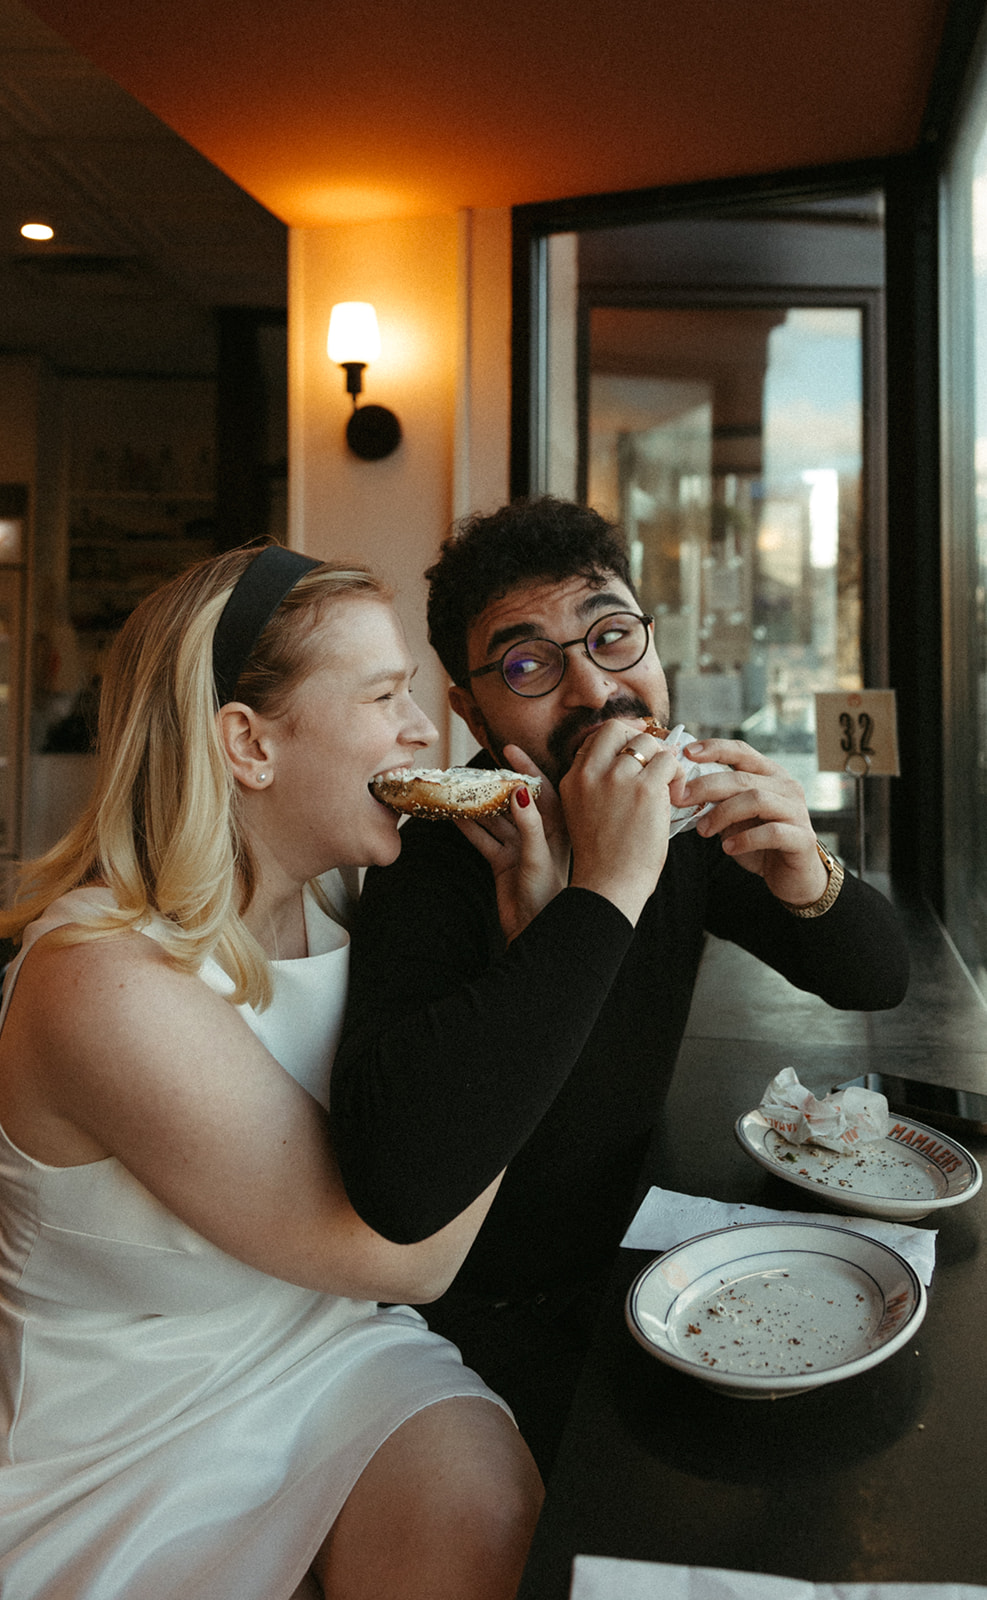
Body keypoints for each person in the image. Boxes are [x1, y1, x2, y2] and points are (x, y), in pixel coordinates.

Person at [0, 543, 543, 1600]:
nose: (421, 733)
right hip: (117, 1447)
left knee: (483, 1507)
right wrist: (551, 961)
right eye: (386, 695)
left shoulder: (349, 911)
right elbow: (400, 1258)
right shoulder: (99, 979)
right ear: (248, 743)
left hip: (332, 1356)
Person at [328, 496, 911, 1477]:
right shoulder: (432, 852)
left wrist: (810, 875)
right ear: (471, 709)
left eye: (612, 635)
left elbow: (872, 976)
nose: (595, 689)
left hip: (640, 1266)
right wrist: (597, 895)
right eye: (526, 664)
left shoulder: (683, 814)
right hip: (457, 1334)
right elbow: (399, 1175)